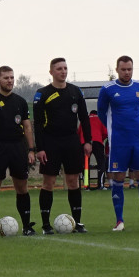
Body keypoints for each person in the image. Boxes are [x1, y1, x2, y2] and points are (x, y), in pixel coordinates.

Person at [97, 56, 139, 230]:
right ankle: (119, 221)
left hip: (138, 141)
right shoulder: (107, 89)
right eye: (123, 69)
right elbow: (102, 113)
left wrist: (137, 125)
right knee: (118, 178)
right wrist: (114, 129)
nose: (127, 72)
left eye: (129, 69)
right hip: (118, 142)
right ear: (117, 70)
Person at [33, 58, 92, 234]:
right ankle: (45, 225)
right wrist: (40, 148)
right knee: (49, 182)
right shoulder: (42, 93)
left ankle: (77, 222)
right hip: (51, 142)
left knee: (73, 181)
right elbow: (37, 123)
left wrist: (87, 141)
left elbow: (84, 118)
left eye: (65, 68)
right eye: (59, 68)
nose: (63, 71)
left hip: (71, 141)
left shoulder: (76, 91)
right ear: (51, 72)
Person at [0, 66, 37, 237]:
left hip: (18, 147)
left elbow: (27, 127)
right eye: (6, 78)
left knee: (21, 186)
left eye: (12, 77)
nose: (10, 81)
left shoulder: (20, 101)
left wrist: (31, 149)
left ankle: (27, 225)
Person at [83, 110, 109, 190]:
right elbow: (105, 132)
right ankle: (101, 185)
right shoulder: (100, 119)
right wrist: (101, 139)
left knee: (85, 164)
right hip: (97, 141)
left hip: (85, 142)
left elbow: (79, 132)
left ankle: (86, 186)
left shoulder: (85, 118)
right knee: (101, 163)